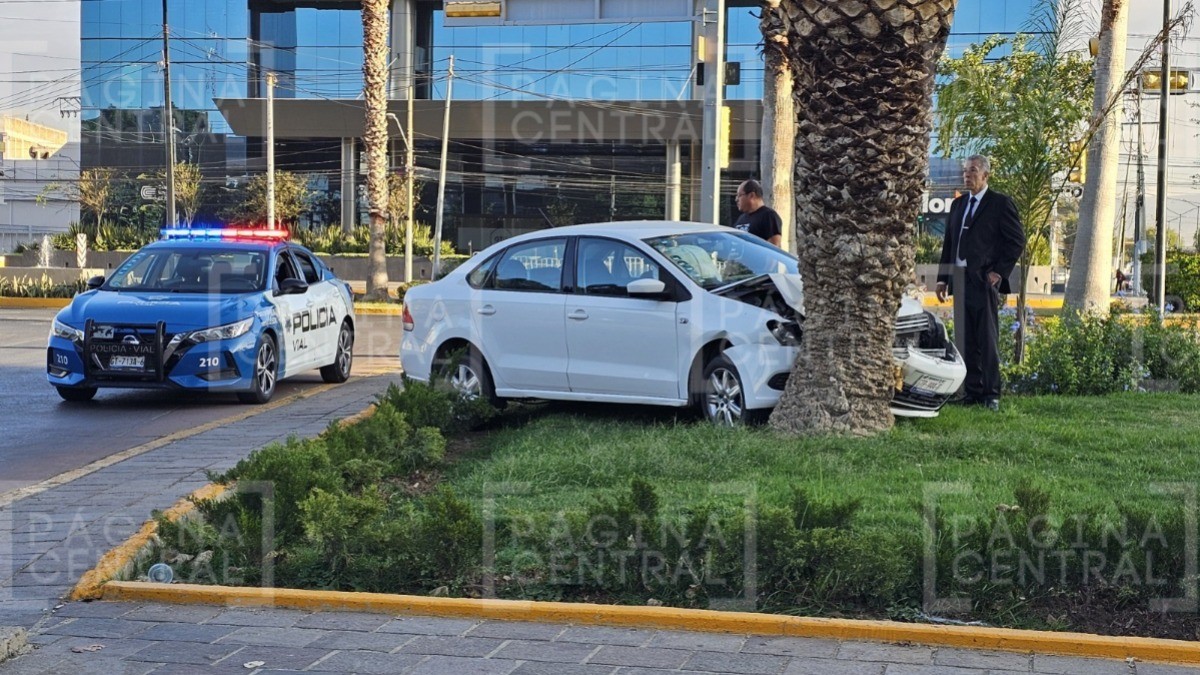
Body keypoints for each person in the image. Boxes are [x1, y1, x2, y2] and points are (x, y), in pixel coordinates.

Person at [935, 155, 1026, 412]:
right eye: (965, 172)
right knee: (966, 339)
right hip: (960, 281)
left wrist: (999, 272)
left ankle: (991, 394)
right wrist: (943, 278)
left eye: (972, 171)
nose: (967, 176)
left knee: (986, 339)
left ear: (985, 175)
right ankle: (972, 392)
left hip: (984, 281)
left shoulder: (999, 204)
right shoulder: (958, 205)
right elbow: (949, 244)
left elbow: (1017, 240)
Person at [732, 179, 782, 247]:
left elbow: (774, 248)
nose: (736, 199)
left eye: (739, 195)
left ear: (751, 195)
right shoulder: (741, 218)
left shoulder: (768, 216)